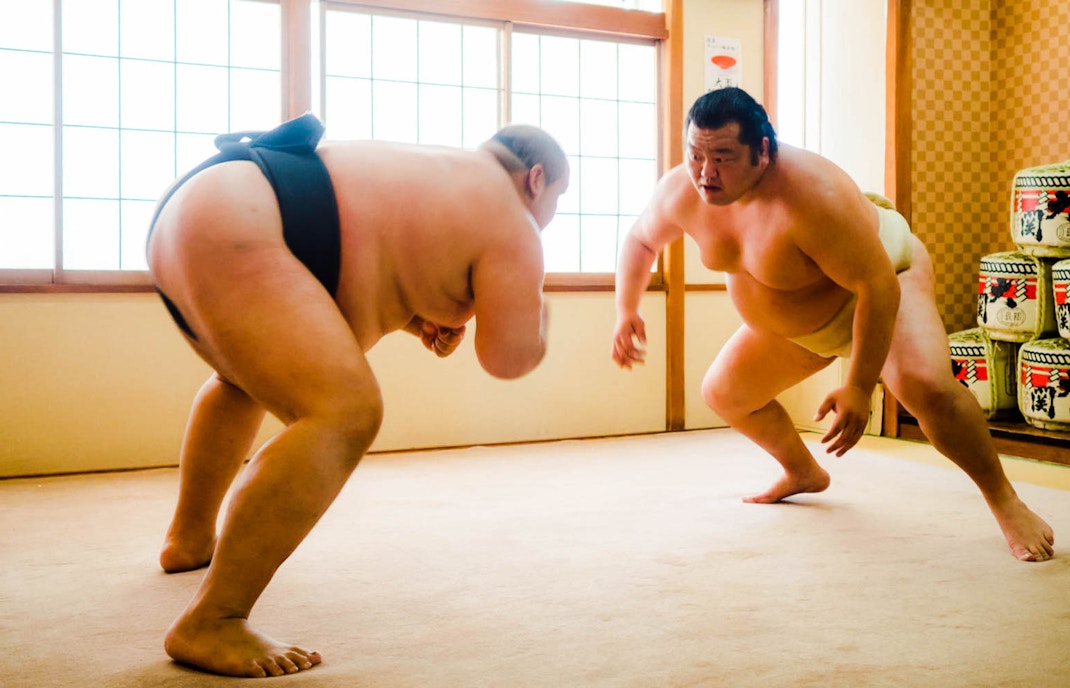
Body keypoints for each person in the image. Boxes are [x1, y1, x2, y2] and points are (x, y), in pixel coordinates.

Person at [147, 113, 569, 678]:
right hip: (244, 220)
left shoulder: (439, 169)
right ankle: (214, 619)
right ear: (536, 179)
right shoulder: (513, 218)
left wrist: (415, 318)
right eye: (556, 201)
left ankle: (190, 537)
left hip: (208, 201)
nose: (548, 218)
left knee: (240, 381)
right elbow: (507, 358)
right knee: (345, 412)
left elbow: (359, 247)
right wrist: (539, 317)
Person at [611, 87, 1055, 563]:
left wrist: (861, 388)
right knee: (725, 392)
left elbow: (877, 287)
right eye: (695, 154)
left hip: (888, 279)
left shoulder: (812, 195)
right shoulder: (683, 191)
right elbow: (640, 240)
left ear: (763, 151)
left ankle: (1006, 501)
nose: (705, 172)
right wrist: (626, 308)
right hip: (800, 326)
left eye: (723, 157)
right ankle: (803, 471)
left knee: (924, 387)